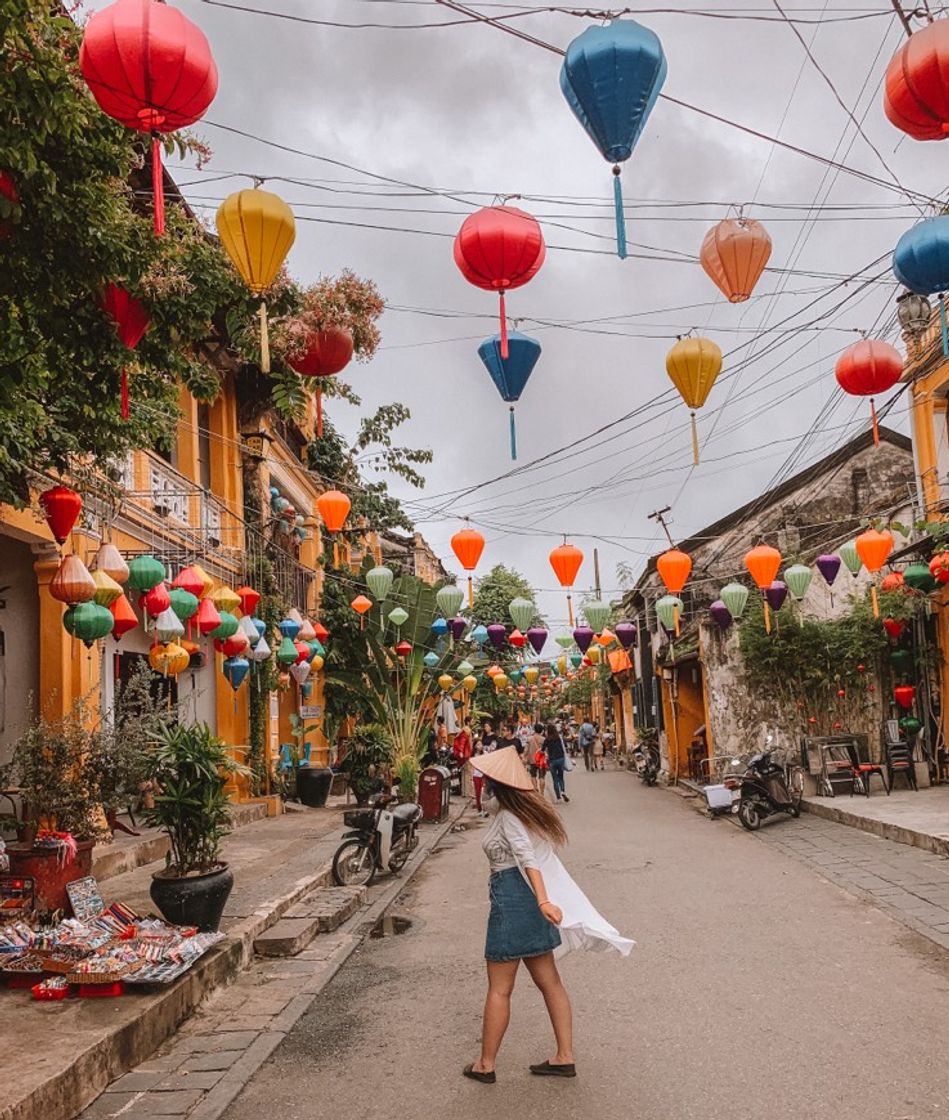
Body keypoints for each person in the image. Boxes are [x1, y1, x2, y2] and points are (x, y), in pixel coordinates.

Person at [463, 747, 633, 1084]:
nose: (480, 784)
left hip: (512, 901)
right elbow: (520, 844)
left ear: (497, 784)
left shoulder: (510, 818)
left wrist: (543, 901)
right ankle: (564, 1057)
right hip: (524, 900)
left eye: (485, 781)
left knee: (500, 988)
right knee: (550, 982)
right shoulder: (510, 811)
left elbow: (528, 859)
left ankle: (485, 1064)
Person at [543, 722, 569, 803]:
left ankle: (558, 797)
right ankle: (563, 791)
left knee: (555, 779)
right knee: (561, 777)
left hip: (552, 760)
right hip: (560, 759)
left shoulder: (547, 739)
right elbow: (564, 746)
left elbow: (542, 749)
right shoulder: (558, 737)